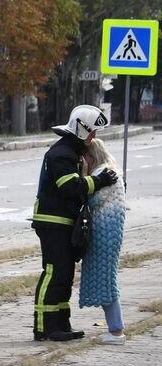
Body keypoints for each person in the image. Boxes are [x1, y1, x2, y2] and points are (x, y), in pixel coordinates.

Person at [31, 104, 118, 341]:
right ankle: (44, 328)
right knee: (53, 272)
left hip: (63, 221)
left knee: (64, 275)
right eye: (92, 132)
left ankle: (60, 325)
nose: (94, 137)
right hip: (52, 221)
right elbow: (69, 187)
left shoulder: (72, 151)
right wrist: (98, 181)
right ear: (81, 129)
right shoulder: (62, 154)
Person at [78, 138, 127, 345]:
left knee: (106, 282)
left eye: (85, 157)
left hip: (104, 234)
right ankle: (115, 328)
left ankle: (116, 331)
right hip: (109, 233)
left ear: (91, 156)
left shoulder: (103, 174)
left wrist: (83, 176)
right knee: (107, 280)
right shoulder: (110, 171)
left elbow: (93, 199)